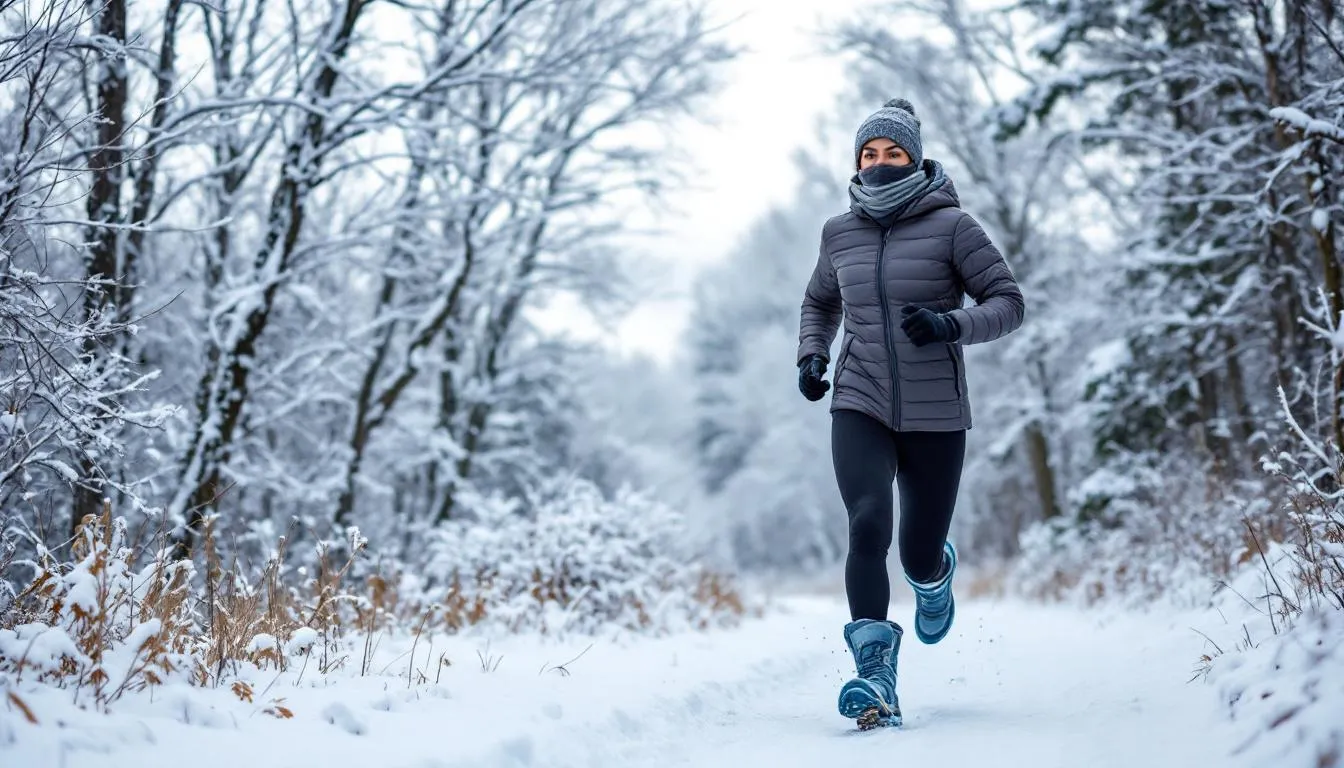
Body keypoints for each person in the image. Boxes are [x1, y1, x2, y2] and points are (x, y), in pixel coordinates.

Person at [796, 98, 1024, 728]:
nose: (878, 164)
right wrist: (812, 356)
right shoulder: (838, 233)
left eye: (892, 153)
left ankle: (934, 574)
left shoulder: (954, 226)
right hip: (859, 400)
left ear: (916, 159)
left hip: (936, 413)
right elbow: (819, 303)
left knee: (917, 552)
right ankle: (875, 677)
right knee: (868, 524)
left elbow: (1008, 302)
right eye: (868, 154)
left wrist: (951, 324)